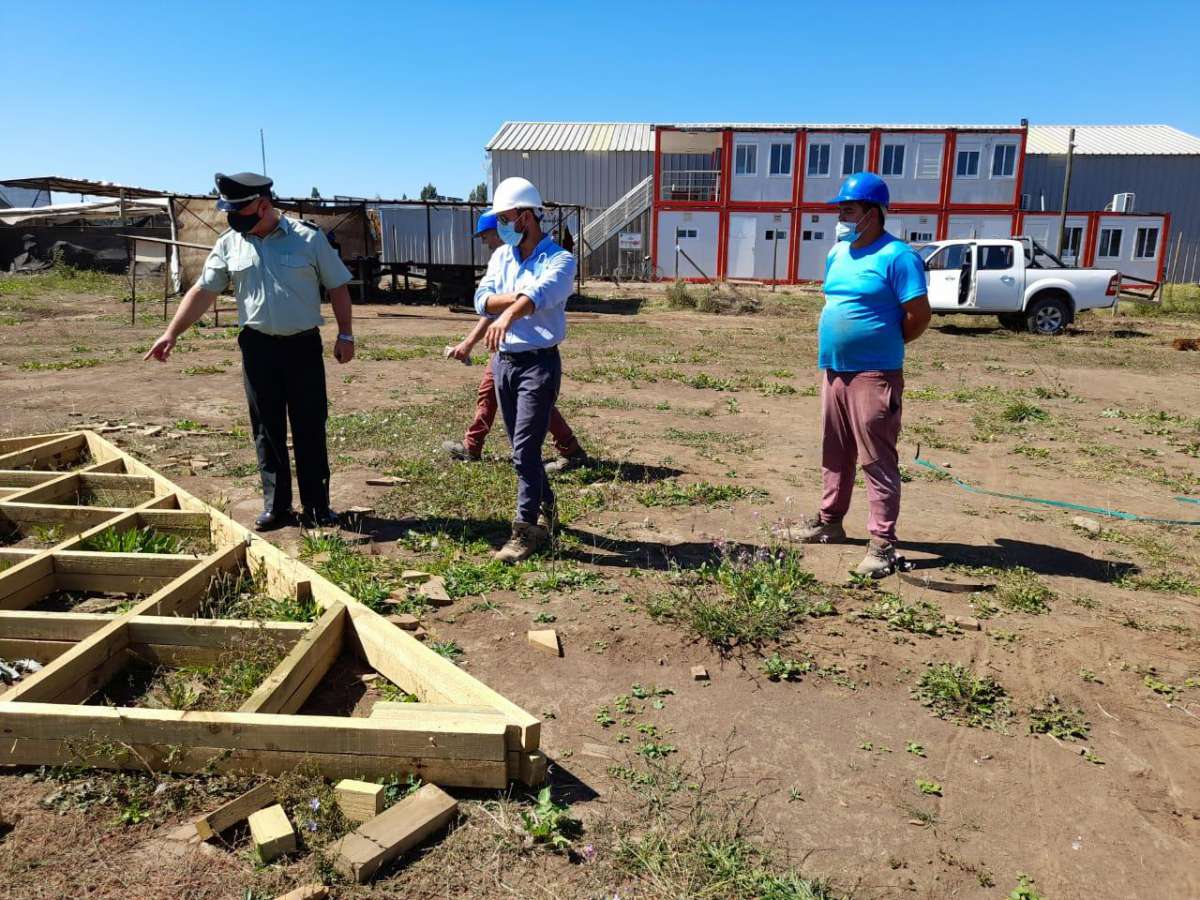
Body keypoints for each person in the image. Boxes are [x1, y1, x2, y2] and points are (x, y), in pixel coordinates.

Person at [145, 172, 355, 531]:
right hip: (257, 348)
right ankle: (277, 507)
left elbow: (337, 286)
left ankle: (318, 507)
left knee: (309, 425)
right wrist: (171, 333)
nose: (234, 218)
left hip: (302, 345)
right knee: (266, 428)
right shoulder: (230, 243)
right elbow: (202, 291)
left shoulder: (307, 238)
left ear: (263, 204)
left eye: (240, 210)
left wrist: (346, 335)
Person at [786, 172, 931, 577]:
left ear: (872, 212)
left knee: (876, 459)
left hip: (874, 373)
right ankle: (830, 523)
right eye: (840, 209)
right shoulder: (838, 253)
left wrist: (884, 345)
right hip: (834, 370)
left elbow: (918, 316)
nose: (842, 215)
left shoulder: (899, 257)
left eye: (848, 208)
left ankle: (882, 545)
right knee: (835, 452)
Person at [473, 177, 576, 563]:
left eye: (506, 216)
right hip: (505, 363)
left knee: (524, 450)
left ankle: (525, 529)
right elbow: (481, 300)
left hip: (538, 363)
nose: (501, 224)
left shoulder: (560, 260)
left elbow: (541, 295)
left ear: (528, 216)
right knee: (524, 449)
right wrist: (515, 300)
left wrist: (512, 310)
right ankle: (547, 505)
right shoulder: (501, 257)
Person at [443, 212, 588, 473]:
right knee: (495, 394)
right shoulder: (502, 261)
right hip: (504, 348)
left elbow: (527, 299)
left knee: (528, 403)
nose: (487, 242)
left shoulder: (539, 260)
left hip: (529, 350)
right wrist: (468, 342)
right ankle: (474, 444)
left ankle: (566, 450)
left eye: (487, 235)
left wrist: (514, 302)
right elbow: (487, 306)